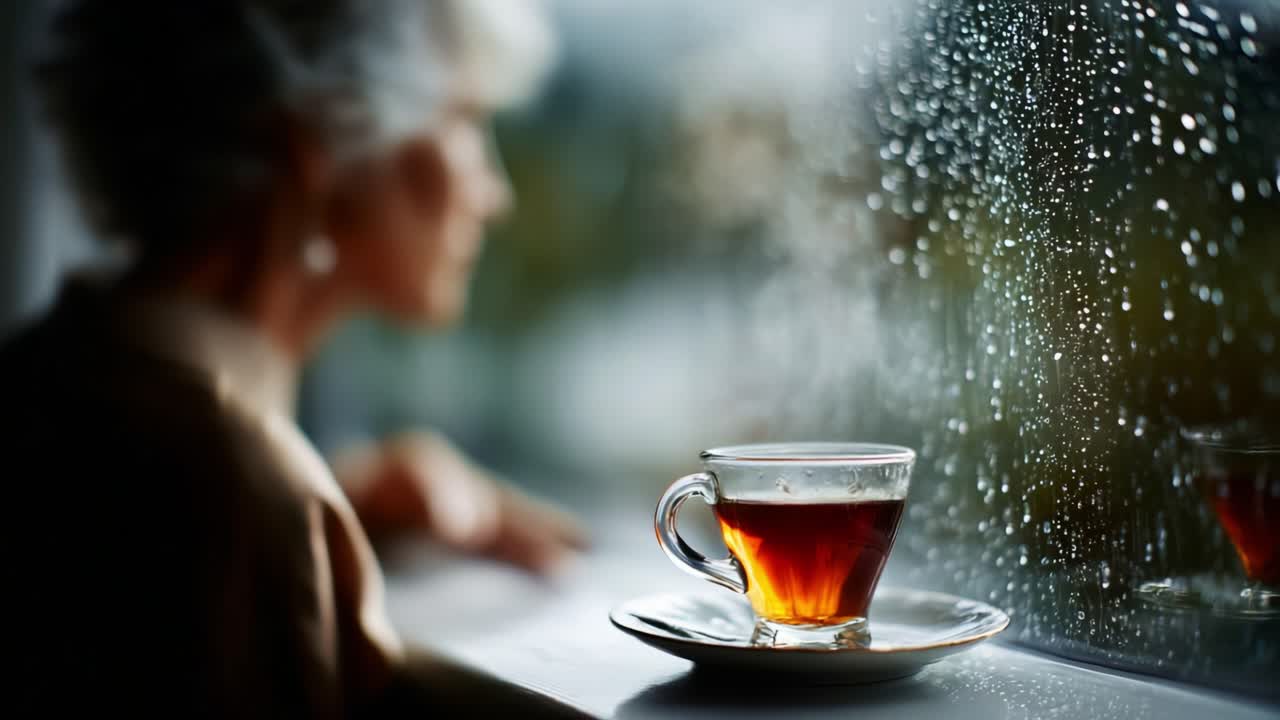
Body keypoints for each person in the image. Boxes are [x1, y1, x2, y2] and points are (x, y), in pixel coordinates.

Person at [3, 1, 586, 716]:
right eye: (464, 119)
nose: (494, 193)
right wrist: (293, 521)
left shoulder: (55, 376)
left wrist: (350, 515)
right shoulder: (235, 483)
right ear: (313, 146)